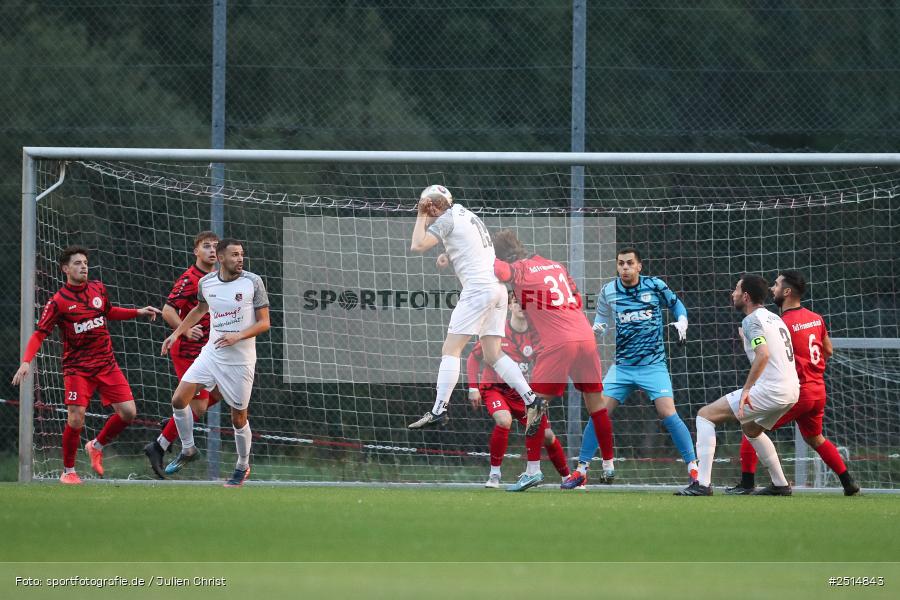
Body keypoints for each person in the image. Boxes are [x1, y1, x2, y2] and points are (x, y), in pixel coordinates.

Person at [12, 245, 161, 484]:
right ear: (65, 269)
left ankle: (96, 445)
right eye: (78, 263)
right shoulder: (58, 302)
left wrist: (137, 311)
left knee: (128, 413)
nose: (84, 267)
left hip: (106, 363)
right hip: (77, 368)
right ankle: (68, 471)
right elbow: (39, 334)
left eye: (85, 263)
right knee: (75, 418)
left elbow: (109, 312)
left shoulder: (98, 288)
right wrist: (26, 362)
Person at [406, 185, 541, 431]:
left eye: (428, 206)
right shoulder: (464, 213)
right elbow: (471, 243)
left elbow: (417, 245)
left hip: (478, 289)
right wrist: (449, 253)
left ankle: (439, 410)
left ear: (433, 205)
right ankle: (532, 399)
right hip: (498, 290)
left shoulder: (444, 218)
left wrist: (420, 216)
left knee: (451, 349)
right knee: (493, 355)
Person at [564, 248, 697, 489]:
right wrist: (597, 331)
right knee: (599, 412)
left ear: (639, 266)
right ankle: (582, 470)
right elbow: (602, 322)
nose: (625, 267)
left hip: (653, 365)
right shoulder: (608, 291)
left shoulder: (655, 285)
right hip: (623, 367)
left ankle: (694, 469)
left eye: (629, 263)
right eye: (621, 263)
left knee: (668, 413)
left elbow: (678, 306)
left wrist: (682, 321)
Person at [491, 229, 611, 492]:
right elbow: (577, 299)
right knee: (596, 405)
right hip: (585, 335)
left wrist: (470, 252)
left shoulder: (518, 269)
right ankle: (607, 465)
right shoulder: (555, 265)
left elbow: (500, 272)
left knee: (535, 407)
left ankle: (532, 470)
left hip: (558, 342)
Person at [726, 271, 860, 496]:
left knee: (751, 428)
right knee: (815, 438)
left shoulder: (780, 323)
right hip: (818, 390)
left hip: (797, 391)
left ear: (786, 292)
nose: (772, 289)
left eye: (776, 285)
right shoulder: (816, 318)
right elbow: (828, 350)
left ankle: (747, 484)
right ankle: (848, 483)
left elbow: (768, 354)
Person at [160, 238, 270, 487]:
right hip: (212, 353)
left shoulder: (253, 282)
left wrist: (238, 336)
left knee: (238, 419)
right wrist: (176, 334)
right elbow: (199, 309)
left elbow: (264, 322)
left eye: (241, 254)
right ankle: (188, 449)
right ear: (221, 258)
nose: (240, 259)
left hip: (240, 361)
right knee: (179, 399)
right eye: (234, 255)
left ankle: (242, 465)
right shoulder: (206, 282)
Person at [677, 275, 799, 496]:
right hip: (792, 390)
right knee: (751, 429)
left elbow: (763, 355)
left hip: (772, 389)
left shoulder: (751, 320)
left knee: (705, 415)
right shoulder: (774, 318)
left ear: (746, 296)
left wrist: (747, 389)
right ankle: (780, 484)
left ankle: (702, 484)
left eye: (735, 289)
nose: (732, 294)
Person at [466, 294, 570, 490]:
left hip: (523, 394)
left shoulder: (537, 334)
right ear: (510, 306)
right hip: (495, 389)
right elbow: (474, 357)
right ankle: (495, 475)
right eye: (517, 302)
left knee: (547, 435)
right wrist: (473, 387)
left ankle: (567, 478)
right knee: (503, 420)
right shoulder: (497, 330)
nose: (522, 306)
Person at [144, 231, 219, 479]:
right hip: (188, 352)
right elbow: (168, 309)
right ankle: (168, 446)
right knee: (194, 404)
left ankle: (160, 445)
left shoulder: (218, 277)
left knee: (217, 397)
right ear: (196, 251)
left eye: (215, 247)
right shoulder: (190, 278)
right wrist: (184, 332)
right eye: (206, 246)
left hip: (211, 351)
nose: (211, 250)